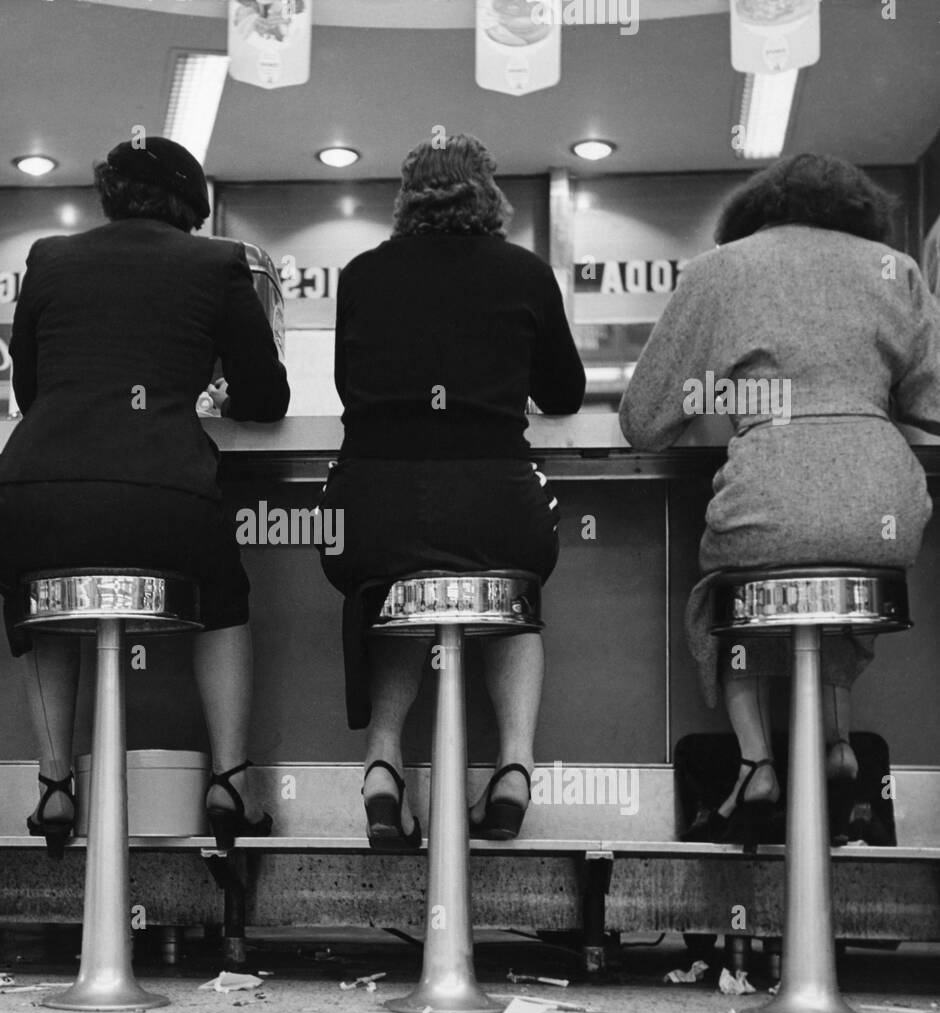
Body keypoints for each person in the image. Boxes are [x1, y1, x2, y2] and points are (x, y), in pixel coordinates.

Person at [620, 154, 940, 843]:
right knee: (834, 596)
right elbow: (933, 399)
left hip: (770, 493)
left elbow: (645, 420)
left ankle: (756, 761)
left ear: (753, 214)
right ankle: (836, 746)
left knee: (730, 595)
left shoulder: (722, 269)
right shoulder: (895, 270)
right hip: (882, 502)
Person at [0, 137, 289, 855]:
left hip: (31, 496)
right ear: (191, 207)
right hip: (163, 495)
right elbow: (267, 397)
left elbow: (30, 391)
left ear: (109, 196)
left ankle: (56, 784)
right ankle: (229, 781)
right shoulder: (218, 263)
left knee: (41, 599)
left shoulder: (48, 257)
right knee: (223, 596)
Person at [318, 134, 586, 848]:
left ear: (405, 202)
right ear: (490, 198)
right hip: (495, 508)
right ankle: (514, 769)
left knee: (399, 578)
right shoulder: (524, 272)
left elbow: (352, 391)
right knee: (513, 578)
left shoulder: (361, 275)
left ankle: (382, 761)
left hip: (370, 514)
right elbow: (565, 392)